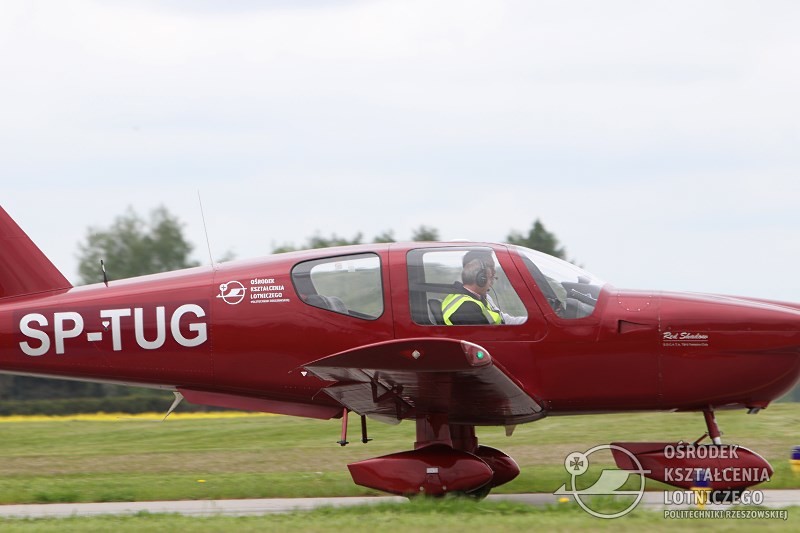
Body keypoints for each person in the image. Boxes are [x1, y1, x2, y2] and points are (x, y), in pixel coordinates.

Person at [442, 250, 524, 325]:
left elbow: (504, 319)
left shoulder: (482, 297)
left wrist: (529, 321)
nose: (494, 272)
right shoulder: (466, 308)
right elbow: (489, 334)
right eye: (491, 267)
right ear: (480, 275)